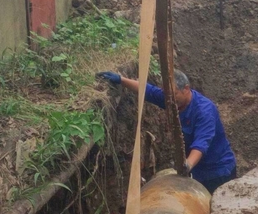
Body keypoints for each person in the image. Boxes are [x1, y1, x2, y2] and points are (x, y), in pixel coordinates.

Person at [95, 69, 238, 193]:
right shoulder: (171, 99)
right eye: (166, 94)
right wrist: (120, 79)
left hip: (218, 171)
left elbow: (201, 143)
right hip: (198, 169)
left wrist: (187, 165)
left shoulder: (204, 111)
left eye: (174, 94)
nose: (168, 99)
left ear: (186, 89)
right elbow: (148, 90)